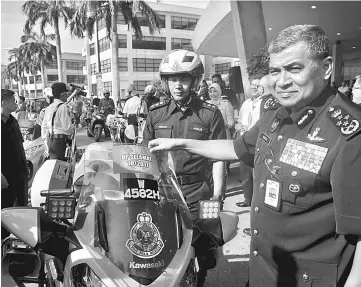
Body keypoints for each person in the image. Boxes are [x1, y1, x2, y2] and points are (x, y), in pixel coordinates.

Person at [148, 25, 361, 287]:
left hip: (309, 279)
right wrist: (179, 142)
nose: (281, 81)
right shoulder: (276, 115)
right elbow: (234, 149)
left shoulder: (350, 134)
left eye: (294, 68)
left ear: (326, 67)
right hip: (264, 270)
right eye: (274, 71)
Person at [143, 49, 226, 287]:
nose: (177, 85)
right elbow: (143, 157)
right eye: (172, 79)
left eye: (183, 79)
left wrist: (218, 195)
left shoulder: (210, 114)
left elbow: (219, 158)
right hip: (163, 192)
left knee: (205, 250)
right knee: (162, 244)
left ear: (194, 80)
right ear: (165, 81)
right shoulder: (156, 115)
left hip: (199, 191)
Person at [1, 89, 28, 239]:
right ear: (3, 103)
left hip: (20, 173)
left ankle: (21, 238)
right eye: (12, 101)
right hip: (5, 175)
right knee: (6, 210)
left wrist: (25, 168)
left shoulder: (13, 121)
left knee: (22, 208)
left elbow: (19, 146)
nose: (15, 103)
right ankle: (4, 242)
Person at [41, 82, 78, 160]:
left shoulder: (49, 107)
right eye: (66, 93)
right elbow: (67, 128)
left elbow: (44, 127)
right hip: (60, 142)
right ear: (62, 95)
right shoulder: (63, 107)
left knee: (54, 166)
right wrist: (76, 126)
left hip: (51, 141)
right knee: (61, 168)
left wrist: (46, 144)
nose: (67, 95)